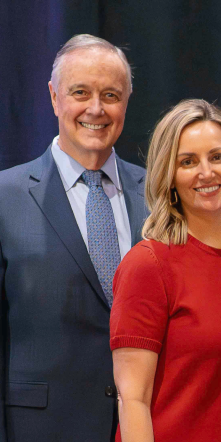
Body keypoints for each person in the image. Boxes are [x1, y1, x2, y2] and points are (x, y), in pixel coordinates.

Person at [0, 34, 148, 441]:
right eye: (80, 93)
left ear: (127, 101)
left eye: (111, 95)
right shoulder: (5, 198)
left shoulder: (158, 195)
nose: (96, 109)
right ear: (54, 97)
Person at [109, 99, 221, 441]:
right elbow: (133, 400)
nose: (206, 172)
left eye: (217, 157)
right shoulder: (148, 265)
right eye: (188, 161)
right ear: (169, 177)